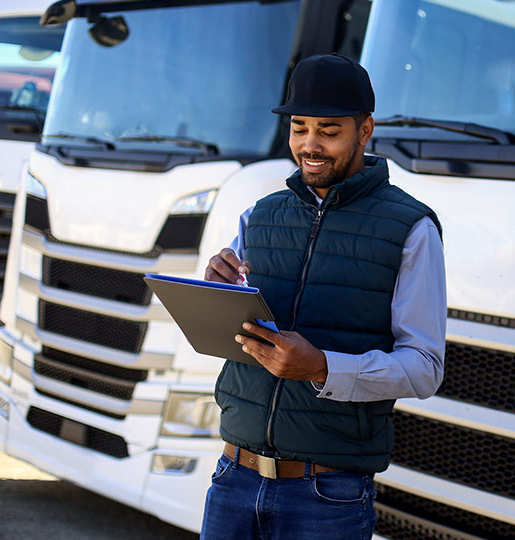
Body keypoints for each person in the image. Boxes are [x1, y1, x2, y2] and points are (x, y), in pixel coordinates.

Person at [199, 54, 446, 540]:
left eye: (329, 130)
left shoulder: (412, 229)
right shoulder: (259, 215)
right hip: (233, 477)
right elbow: (237, 337)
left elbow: (424, 367)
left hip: (327, 497)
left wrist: (322, 368)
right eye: (299, 128)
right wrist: (216, 293)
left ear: (365, 129)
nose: (309, 145)